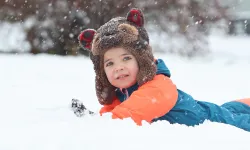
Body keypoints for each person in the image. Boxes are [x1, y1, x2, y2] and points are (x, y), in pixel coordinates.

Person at [77, 8, 250, 132]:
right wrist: (95, 119)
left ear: (141, 60)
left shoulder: (157, 86)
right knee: (231, 110)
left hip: (210, 119)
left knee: (237, 121)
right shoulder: (121, 93)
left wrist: (104, 124)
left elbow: (131, 112)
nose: (118, 67)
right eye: (109, 64)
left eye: (126, 58)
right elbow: (110, 113)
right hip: (205, 110)